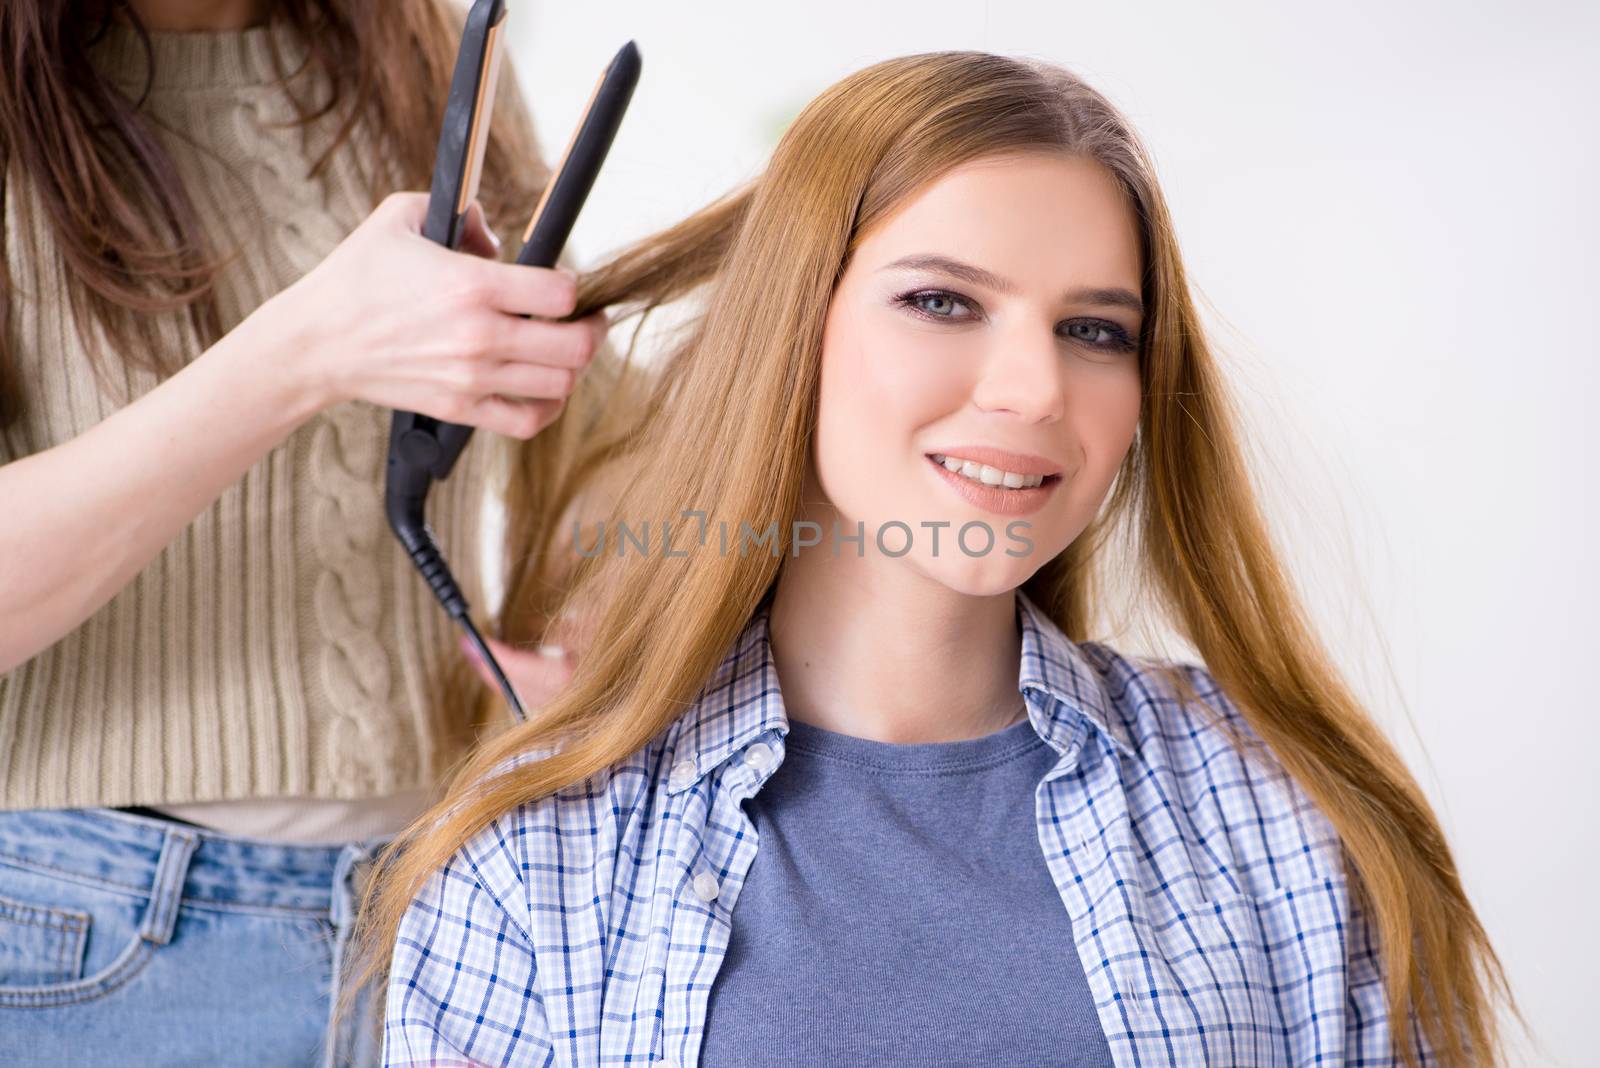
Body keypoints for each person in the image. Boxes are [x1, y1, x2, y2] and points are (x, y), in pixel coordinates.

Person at [356, 50, 1522, 1067]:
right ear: (789, 335)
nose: (1033, 387)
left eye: (1095, 331)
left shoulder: (1275, 808)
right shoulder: (537, 861)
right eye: (942, 301)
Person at [0, 0, 622, 1063]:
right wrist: (303, 352)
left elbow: (594, 428)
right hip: (84, 923)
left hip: (435, 900)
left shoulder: (426, 54)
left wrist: (607, 617)